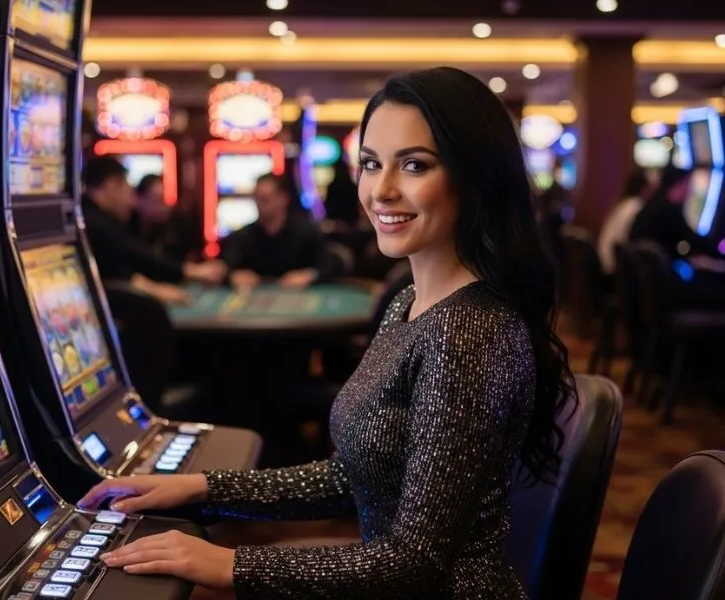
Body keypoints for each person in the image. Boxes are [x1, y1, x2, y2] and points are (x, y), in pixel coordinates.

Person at [77, 67, 575, 598]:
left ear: (476, 176)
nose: (382, 191)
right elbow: (350, 477)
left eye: (414, 165)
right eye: (371, 163)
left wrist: (230, 565)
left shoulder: (470, 330)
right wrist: (199, 488)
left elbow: (415, 564)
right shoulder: (408, 303)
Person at [81, 157, 226, 304]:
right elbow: (133, 258)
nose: (131, 199)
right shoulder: (94, 223)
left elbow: (121, 269)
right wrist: (189, 273)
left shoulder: (90, 217)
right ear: (112, 186)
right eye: (127, 188)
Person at [220, 173, 333, 291]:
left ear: (283, 199)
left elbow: (329, 267)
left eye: (265, 199)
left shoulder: (307, 233)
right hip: (256, 299)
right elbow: (225, 268)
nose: (260, 205)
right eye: (257, 199)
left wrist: (308, 276)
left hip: (299, 297)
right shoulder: (243, 236)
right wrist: (233, 276)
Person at [629, 164, 718, 258]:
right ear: (677, 184)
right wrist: (718, 249)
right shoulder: (667, 210)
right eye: (687, 185)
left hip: (641, 261)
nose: (689, 191)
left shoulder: (656, 202)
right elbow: (691, 238)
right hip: (650, 263)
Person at [598, 170, 654, 274]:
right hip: (615, 267)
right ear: (643, 189)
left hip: (604, 262)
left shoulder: (622, 205)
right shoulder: (636, 207)